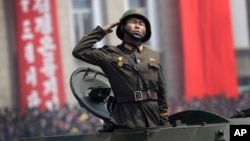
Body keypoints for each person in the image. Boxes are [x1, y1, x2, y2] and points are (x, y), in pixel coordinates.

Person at [72, 8, 169, 130]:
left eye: (141, 24)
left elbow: (161, 89)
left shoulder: (152, 55)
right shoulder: (110, 54)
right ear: (123, 27)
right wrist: (101, 31)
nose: (137, 26)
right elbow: (79, 51)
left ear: (146, 31)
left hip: (153, 119)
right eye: (133, 22)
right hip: (126, 120)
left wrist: (164, 120)